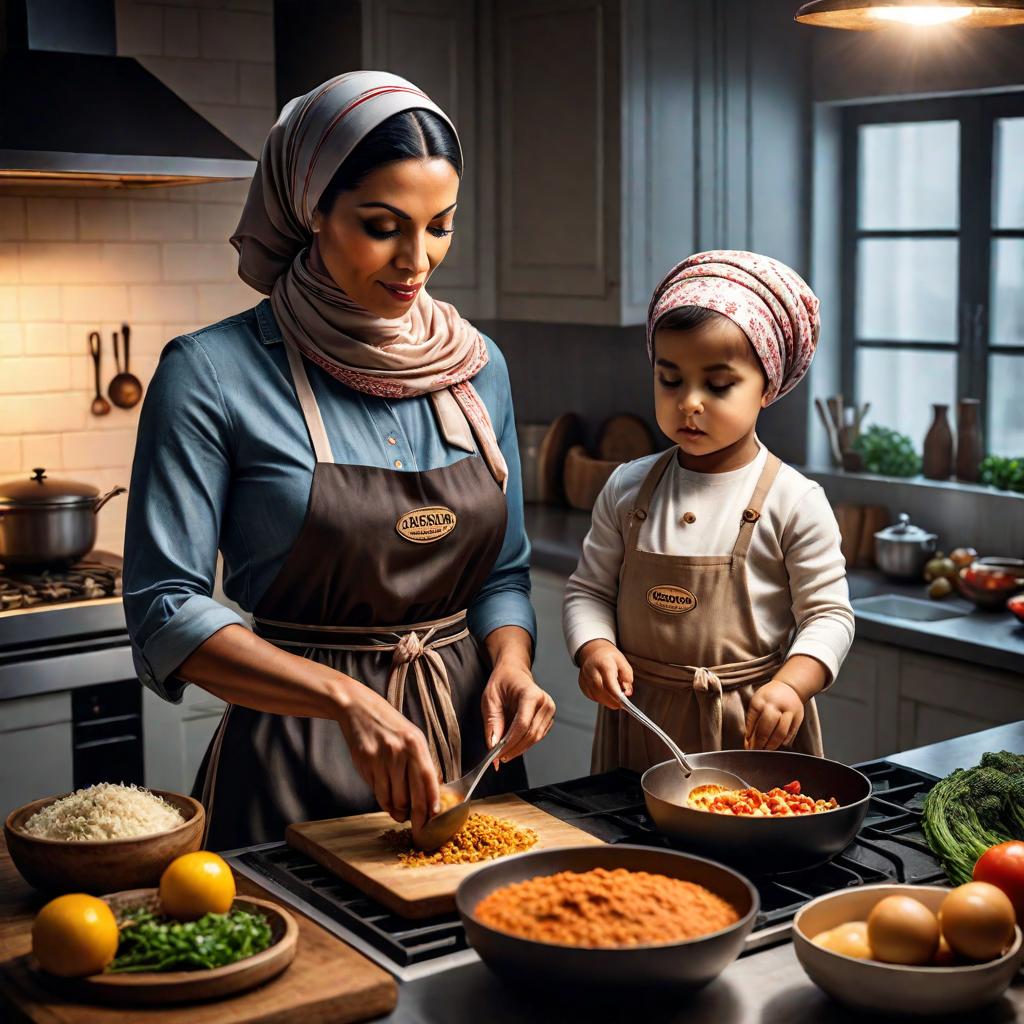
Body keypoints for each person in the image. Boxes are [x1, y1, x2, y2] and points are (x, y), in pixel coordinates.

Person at [123, 71, 555, 849]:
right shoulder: (211, 372)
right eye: (382, 225)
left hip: (469, 766)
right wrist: (347, 701)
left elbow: (503, 573)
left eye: (440, 225)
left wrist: (512, 663)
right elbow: (166, 609)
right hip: (292, 767)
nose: (416, 260)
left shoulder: (477, 363)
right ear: (310, 208)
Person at [562, 250, 854, 772]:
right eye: (670, 379)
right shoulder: (627, 487)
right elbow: (588, 591)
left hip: (749, 730)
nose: (688, 402)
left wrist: (791, 685)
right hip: (639, 721)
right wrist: (594, 649)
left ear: (767, 386)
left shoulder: (794, 500)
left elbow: (828, 616)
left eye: (718, 385)